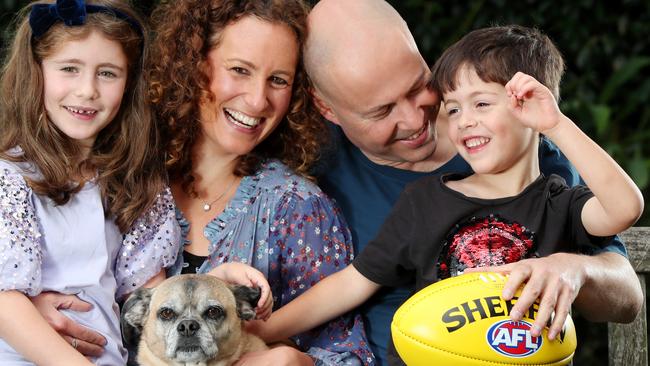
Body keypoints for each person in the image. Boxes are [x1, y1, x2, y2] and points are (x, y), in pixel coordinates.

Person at [251, 24, 645, 365]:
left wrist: (556, 123)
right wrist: (260, 329)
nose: (464, 120)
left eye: (482, 104)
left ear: (528, 108)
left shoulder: (558, 202)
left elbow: (625, 208)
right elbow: (350, 283)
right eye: (452, 109)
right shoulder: (424, 200)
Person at [146, 1, 374, 365]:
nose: (257, 99)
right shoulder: (131, 177)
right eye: (239, 70)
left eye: (278, 80)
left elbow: (348, 356)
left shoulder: (296, 207)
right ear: (193, 64)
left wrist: (292, 362)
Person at [0, 0, 180, 364]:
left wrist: (212, 286)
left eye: (108, 73)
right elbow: (5, 302)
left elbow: (150, 295)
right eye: (69, 68)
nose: (87, 91)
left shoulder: (131, 179)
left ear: (130, 84)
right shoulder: (11, 176)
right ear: (36, 71)